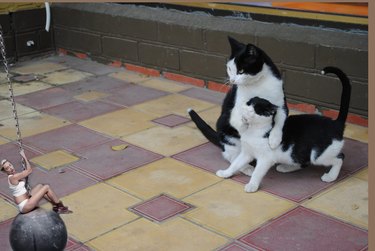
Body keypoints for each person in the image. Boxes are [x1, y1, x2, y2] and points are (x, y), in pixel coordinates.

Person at [1, 150, 72, 214]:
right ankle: (60, 206)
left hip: (27, 199)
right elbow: (29, 170)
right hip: (25, 205)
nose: (10, 168)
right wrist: (24, 157)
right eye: (7, 168)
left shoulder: (14, 176)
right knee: (46, 187)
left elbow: (25, 173)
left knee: (40, 186)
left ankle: (55, 205)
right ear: (4, 171)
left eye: (10, 165)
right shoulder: (13, 177)